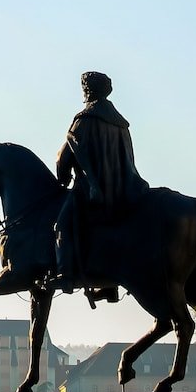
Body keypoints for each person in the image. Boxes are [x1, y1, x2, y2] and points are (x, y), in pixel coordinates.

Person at [51, 71, 150, 301]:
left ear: (88, 91)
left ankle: (65, 275)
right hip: (124, 190)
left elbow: (63, 158)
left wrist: (62, 178)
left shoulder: (84, 119)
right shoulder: (121, 123)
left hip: (92, 189)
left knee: (62, 226)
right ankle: (110, 285)